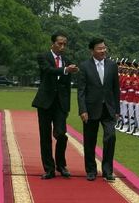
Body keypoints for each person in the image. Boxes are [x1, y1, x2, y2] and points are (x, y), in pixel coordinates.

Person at [32, 31, 79, 180]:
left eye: (64, 44)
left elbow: (66, 85)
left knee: (61, 135)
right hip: (45, 102)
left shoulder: (67, 60)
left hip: (60, 104)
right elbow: (48, 71)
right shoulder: (43, 57)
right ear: (52, 43)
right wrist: (65, 70)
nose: (62, 46)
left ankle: (61, 164)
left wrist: (67, 105)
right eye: (60, 43)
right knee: (45, 137)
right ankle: (49, 169)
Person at [77, 37, 120, 182]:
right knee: (90, 141)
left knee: (110, 137)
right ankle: (91, 170)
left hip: (108, 109)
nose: (103, 50)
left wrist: (117, 109)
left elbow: (116, 89)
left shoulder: (112, 65)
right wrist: (82, 110)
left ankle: (108, 170)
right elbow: (81, 91)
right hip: (90, 109)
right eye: (100, 48)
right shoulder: (84, 66)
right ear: (92, 51)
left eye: (104, 48)